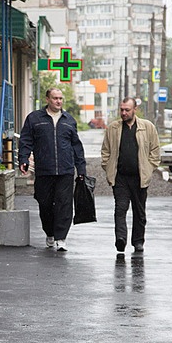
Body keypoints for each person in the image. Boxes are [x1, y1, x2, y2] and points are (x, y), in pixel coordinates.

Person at [18, 88, 87, 252]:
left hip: (65, 170)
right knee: (45, 203)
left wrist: (81, 168)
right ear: (47, 99)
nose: (58, 101)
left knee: (64, 204)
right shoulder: (35, 119)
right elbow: (26, 140)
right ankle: (49, 232)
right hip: (44, 169)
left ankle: (61, 237)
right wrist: (23, 159)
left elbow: (76, 146)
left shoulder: (69, 120)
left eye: (61, 98)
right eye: (55, 98)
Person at [101, 97, 161, 254]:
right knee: (120, 209)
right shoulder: (113, 128)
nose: (123, 112)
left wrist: (149, 168)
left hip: (140, 177)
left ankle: (138, 241)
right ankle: (120, 239)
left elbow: (155, 151)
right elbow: (106, 151)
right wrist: (108, 168)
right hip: (120, 177)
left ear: (135, 110)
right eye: (121, 109)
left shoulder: (147, 127)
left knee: (139, 211)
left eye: (127, 110)